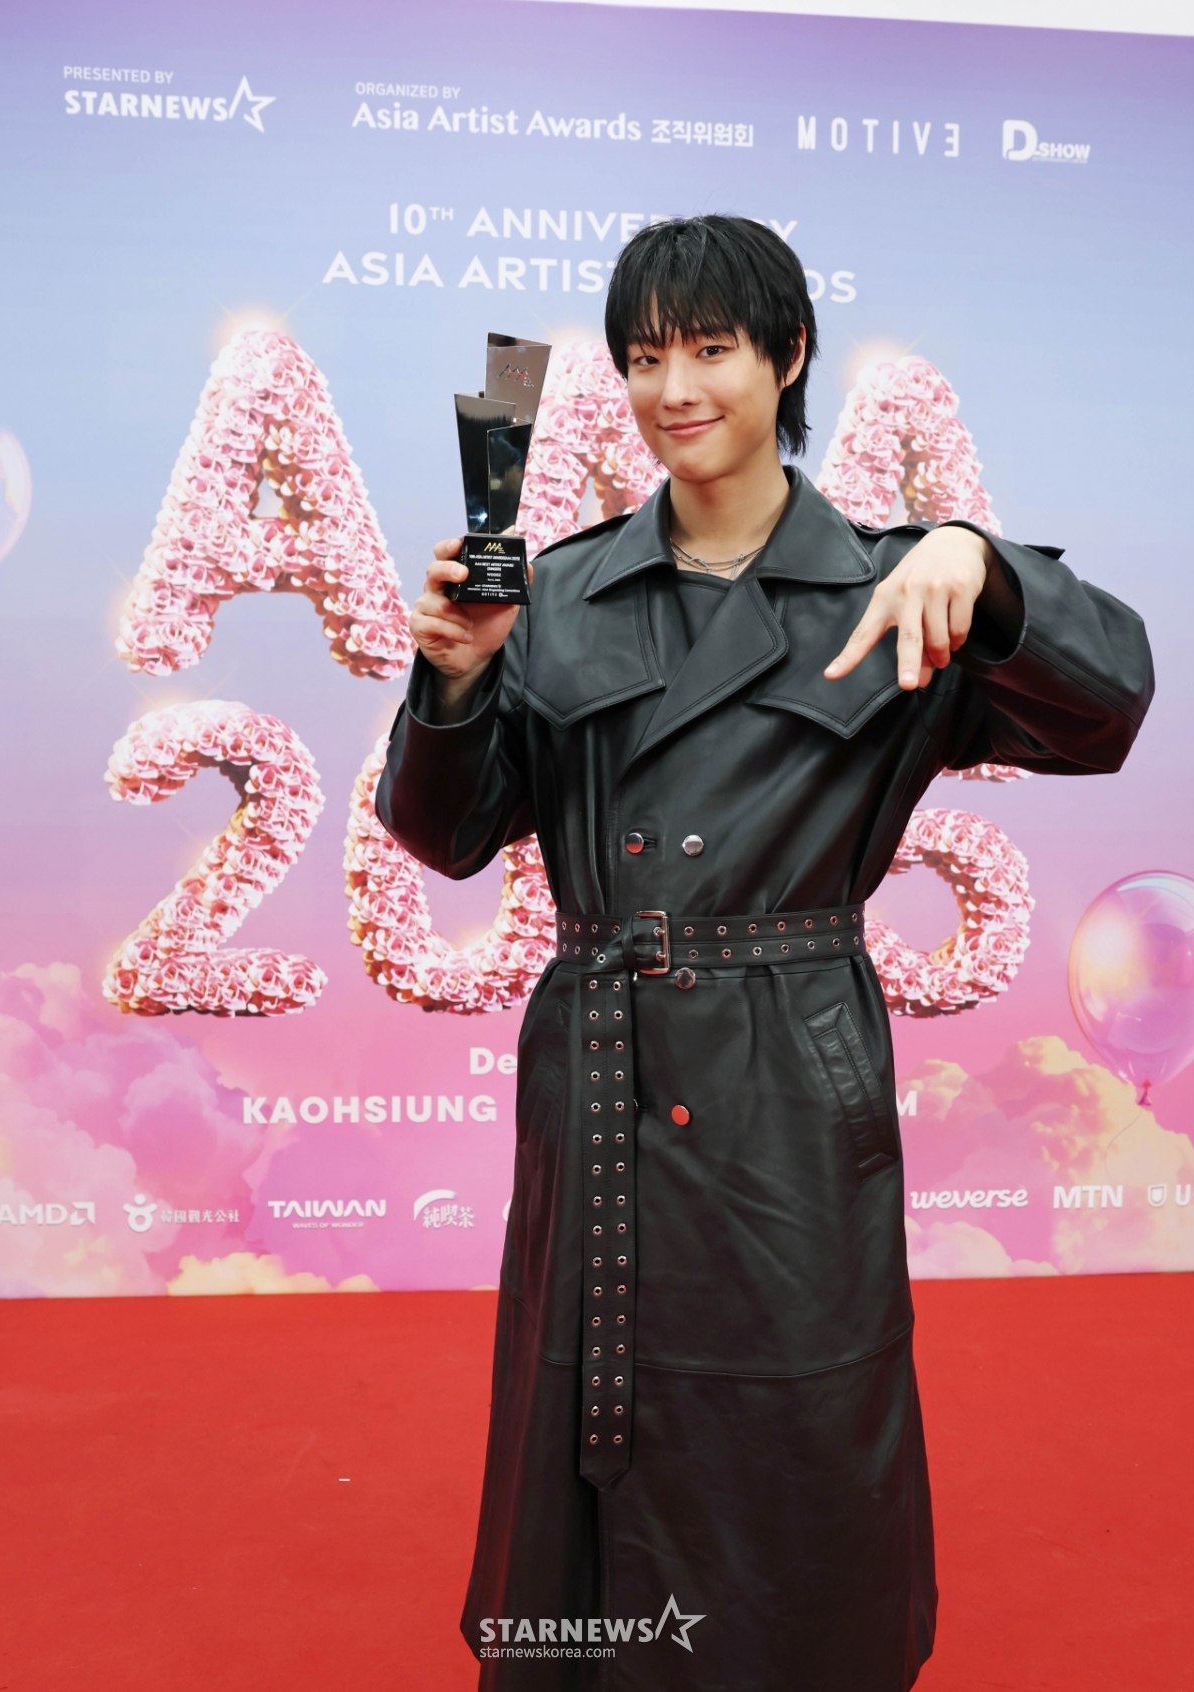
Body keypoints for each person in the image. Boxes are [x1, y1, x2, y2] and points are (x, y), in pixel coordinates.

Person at [376, 215, 1153, 1691]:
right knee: (583, 1415)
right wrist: (456, 683)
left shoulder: (893, 581)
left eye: (712, 349)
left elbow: (1109, 706)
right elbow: (448, 834)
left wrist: (987, 567)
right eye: (643, 357)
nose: (674, 389)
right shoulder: (560, 591)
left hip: (788, 1081)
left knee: (798, 1421)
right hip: (601, 1072)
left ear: (788, 357)